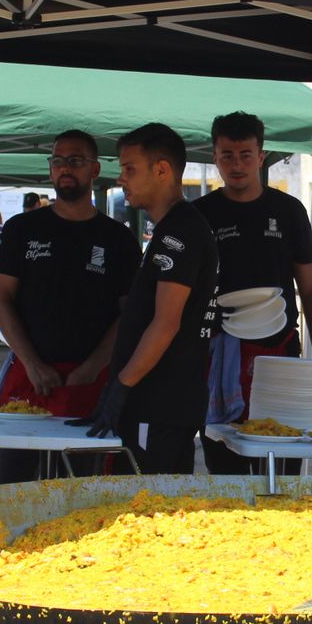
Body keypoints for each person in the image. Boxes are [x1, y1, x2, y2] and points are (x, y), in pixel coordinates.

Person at [0, 131, 141, 481]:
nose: (65, 168)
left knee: (84, 488)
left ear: (95, 169)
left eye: (75, 161)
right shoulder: (21, 229)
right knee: (11, 485)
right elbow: (1, 301)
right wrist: (32, 363)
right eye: (58, 161)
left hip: (92, 382)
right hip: (28, 379)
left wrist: (93, 367)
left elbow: (130, 315)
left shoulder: (118, 238)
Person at [193, 111, 312, 474]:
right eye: (227, 155)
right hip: (218, 356)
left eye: (245, 155)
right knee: (227, 474)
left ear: (261, 156)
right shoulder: (199, 215)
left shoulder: (288, 211)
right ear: (215, 157)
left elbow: (311, 288)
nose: (237, 165)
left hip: (281, 352)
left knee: (283, 471)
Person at [80, 123, 216, 475]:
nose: (121, 178)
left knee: (144, 502)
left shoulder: (181, 230)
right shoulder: (170, 228)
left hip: (159, 403)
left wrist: (122, 386)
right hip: (157, 402)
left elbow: (166, 322)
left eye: (130, 169)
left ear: (162, 170)